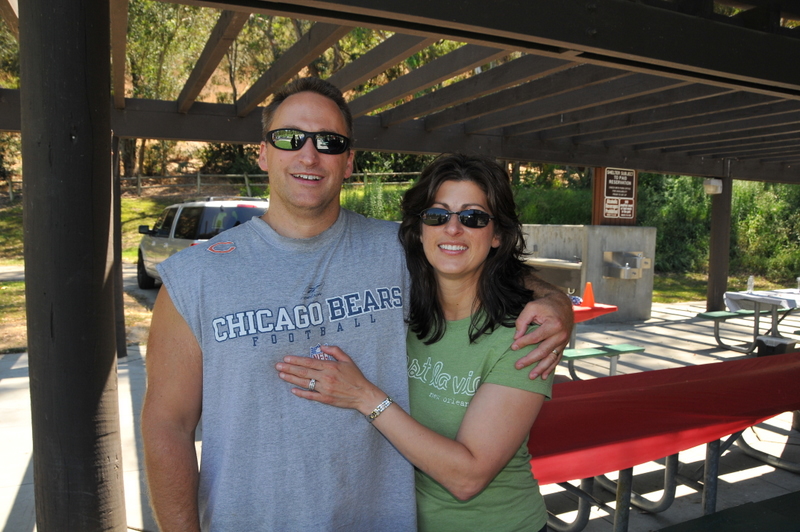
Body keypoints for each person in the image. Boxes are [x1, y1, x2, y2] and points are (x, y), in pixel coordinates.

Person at [141, 77, 572, 531]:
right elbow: (168, 426)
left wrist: (555, 301)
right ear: (263, 153)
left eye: (328, 142)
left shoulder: (398, 249)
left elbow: (477, 260)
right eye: (289, 138)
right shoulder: (195, 277)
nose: (309, 155)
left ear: (348, 162)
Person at [276, 153, 554, 531]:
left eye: (473, 218)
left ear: (497, 235)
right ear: (421, 229)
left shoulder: (525, 335)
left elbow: (468, 478)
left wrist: (364, 397)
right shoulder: (397, 311)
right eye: (437, 215)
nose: (452, 229)